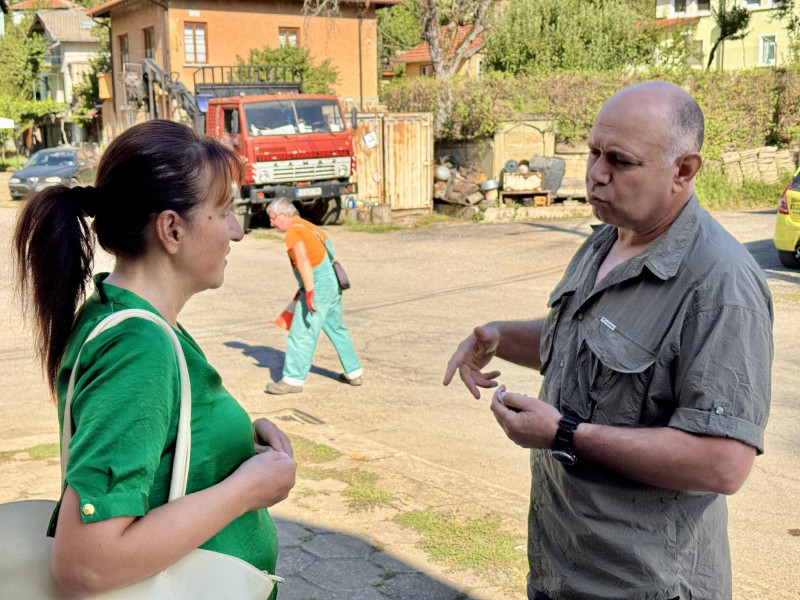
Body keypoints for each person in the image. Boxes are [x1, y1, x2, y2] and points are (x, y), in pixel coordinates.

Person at [443, 81, 772, 600]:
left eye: (620, 160)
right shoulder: (606, 240)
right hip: (562, 570)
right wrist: (499, 337)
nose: (596, 173)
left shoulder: (721, 284)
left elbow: (723, 462)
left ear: (684, 170)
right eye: (594, 152)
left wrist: (565, 434)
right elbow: (584, 343)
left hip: (645, 585)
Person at [13, 120, 296, 598]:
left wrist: (230, 448)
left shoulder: (128, 318)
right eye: (224, 211)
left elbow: (152, 446)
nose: (237, 232)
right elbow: (87, 565)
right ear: (171, 229)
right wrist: (246, 489)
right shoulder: (138, 345)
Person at [265, 198, 362, 394]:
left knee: (302, 333)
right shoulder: (308, 226)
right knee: (336, 328)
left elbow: (302, 261)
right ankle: (354, 372)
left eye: (273, 218)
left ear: (285, 214)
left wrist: (309, 292)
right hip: (331, 284)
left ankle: (292, 380)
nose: (271, 223)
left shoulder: (293, 232)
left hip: (317, 287)